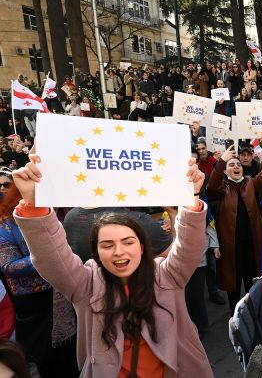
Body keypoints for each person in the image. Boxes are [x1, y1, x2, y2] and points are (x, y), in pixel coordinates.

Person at [11, 155, 214, 377]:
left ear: (143, 247)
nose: (119, 252)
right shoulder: (85, 285)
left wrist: (192, 196)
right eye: (107, 245)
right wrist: (32, 203)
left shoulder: (166, 275)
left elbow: (189, 246)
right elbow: (51, 257)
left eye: (128, 242)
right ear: (96, 252)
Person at [0, 182, 79, 377]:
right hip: (33, 304)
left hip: (65, 294)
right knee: (43, 357)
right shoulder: (6, 225)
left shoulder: (68, 214)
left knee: (70, 354)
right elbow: (9, 266)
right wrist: (50, 254)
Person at [206, 135, 262, 312]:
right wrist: (221, 161)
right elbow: (211, 187)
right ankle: (235, 318)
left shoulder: (250, 183)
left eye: (238, 165)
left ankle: (253, 317)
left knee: (252, 281)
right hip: (231, 247)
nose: (236, 166)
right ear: (226, 171)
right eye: (231, 165)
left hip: (252, 243)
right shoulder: (221, 188)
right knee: (233, 284)